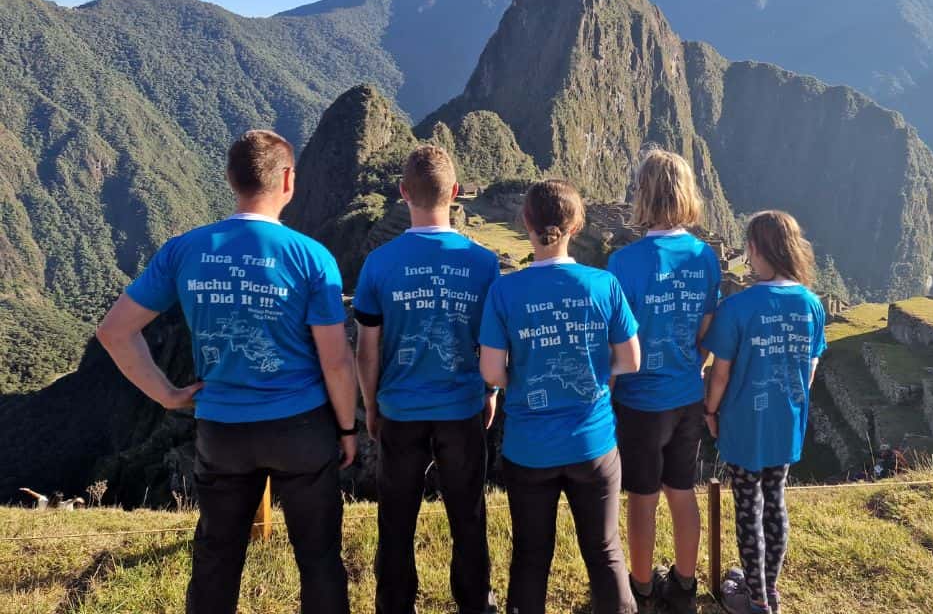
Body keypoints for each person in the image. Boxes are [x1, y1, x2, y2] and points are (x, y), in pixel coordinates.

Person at [96, 130, 357, 614]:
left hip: (222, 431)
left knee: (217, 558)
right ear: (288, 180)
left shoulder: (185, 250)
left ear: (230, 180)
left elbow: (114, 331)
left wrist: (169, 395)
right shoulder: (311, 257)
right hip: (301, 428)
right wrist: (346, 428)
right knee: (318, 557)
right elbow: (336, 359)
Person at [479, 179, 642, 614]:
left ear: (526, 222)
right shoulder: (603, 285)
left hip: (530, 448)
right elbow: (631, 360)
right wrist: (596, 380)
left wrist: (527, 383)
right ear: (577, 224)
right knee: (604, 550)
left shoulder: (504, 291)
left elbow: (491, 372)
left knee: (531, 555)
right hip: (593, 443)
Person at [354, 145, 501, 614]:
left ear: (403, 193)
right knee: (468, 516)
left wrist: (371, 405)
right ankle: (475, 603)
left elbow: (367, 348)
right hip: (461, 407)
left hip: (399, 409)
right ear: (456, 194)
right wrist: (490, 391)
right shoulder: (483, 264)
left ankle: (394, 606)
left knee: (396, 520)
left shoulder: (379, 263)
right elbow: (492, 343)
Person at [608, 151, 721, 613]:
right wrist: (689, 363)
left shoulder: (623, 262)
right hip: (687, 395)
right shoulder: (704, 256)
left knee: (642, 496)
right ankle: (686, 586)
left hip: (639, 398)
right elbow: (706, 332)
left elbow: (618, 342)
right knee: (682, 490)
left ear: (644, 195)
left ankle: (641, 587)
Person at [702, 210, 827, 614]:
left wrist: (710, 411)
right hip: (786, 420)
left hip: (743, 422)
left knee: (747, 508)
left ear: (755, 249)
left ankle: (755, 599)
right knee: (775, 501)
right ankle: (769, 588)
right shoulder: (811, 304)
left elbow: (719, 375)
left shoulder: (738, 308)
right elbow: (809, 369)